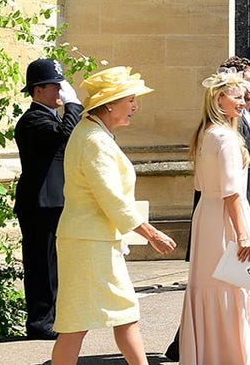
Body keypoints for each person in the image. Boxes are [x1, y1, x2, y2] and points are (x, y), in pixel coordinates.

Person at [51, 66, 176, 365]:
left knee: (111, 316)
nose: (135, 106)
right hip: (89, 242)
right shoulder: (93, 139)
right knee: (85, 322)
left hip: (91, 239)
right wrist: (152, 233)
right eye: (130, 99)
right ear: (109, 103)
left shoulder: (95, 133)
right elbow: (112, 198)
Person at [179, 69, 250, 363]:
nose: (243, 103)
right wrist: (244, 233)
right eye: (237, 97)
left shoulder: (205, 134)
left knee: (211, 287)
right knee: (236, 287)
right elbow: (231, 192)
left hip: (207, 216)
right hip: (227, 221)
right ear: (219, 99)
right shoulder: (226, 139)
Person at [14, 58, 84, 340]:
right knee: (41, 264)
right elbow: (64, 134)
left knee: (57, 263)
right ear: (37, 91)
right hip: (40, 203)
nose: (60, 92)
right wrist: (74, 106)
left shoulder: (49, 117)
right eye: (55, 87)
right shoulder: (33, 120)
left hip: (55, 201)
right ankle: (40, 322)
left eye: (62, 87)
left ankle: (53, 318)